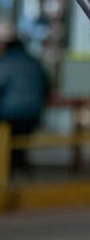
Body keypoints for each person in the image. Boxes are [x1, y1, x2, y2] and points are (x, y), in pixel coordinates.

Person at [0, 18, 50, 171]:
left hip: (9, 114)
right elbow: (46, 85)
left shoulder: (5, 63)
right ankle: (17, 167)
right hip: (33, 115)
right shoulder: (32, 61)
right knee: (18, 146)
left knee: (8, 146)